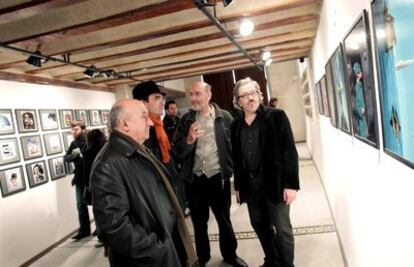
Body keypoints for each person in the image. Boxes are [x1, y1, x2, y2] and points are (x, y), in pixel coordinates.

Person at [90, 99, 197, 267]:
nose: (150, 122)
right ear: (125, 124)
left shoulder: (138, 148)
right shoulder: (108, 164)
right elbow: (114, 228)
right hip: (151, 259)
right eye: (143, 117)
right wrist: (158, 249)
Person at [174, 81, 247, 267]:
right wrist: (189, 140)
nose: (193, 98)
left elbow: (236, 149)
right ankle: (203, 257)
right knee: (199, 224)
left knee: (224, 221)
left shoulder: (225, 118)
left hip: (218, 178)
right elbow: (178, 151)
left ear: (209, 95)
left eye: (197, 94)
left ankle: (230, 255)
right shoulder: (186, 120)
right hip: (195, 180)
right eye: (191, 94)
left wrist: (232, 172)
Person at [231, 77, 300, 267]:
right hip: (251, 187)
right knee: (260, 225)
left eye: (253, 93)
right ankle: (272, 260)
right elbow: (237, 159)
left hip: (275, 183)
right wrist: (238, 186)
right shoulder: (236, 125)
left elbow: (289, 151)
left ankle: (287, 265)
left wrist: (291, 185)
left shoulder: (276, 116)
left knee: (282, 229)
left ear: (259, 94)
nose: (250, 98)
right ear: (238, 101)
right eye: (244, 95)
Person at [133, 81, 189, 217]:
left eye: (162, 98)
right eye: (157, 98)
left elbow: (170, 157)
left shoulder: (158, 125)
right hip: (162, 202)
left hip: (173, 193)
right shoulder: (142, 132)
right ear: (143, 103)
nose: (163, 102)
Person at [64, 120, 91, 240]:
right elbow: (66, 158)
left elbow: (93, 156)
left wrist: (83, 155)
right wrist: (75, 155)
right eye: (72, 130)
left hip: (90, 176)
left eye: (76, 129)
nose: (73, 132)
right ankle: (84, 230)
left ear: (83, 129)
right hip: (79, 177)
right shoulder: (74, 143)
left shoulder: (89, 140)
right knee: (80, 204)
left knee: (96, 203)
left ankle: (100, 229)